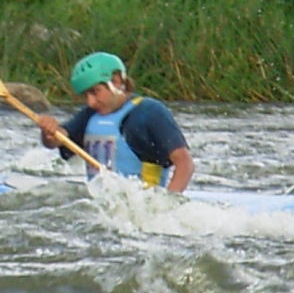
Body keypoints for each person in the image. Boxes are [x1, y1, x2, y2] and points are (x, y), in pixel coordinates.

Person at [34, 51, 194, 193]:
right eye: (85, 95)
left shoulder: (149, 112)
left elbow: (185, 163)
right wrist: (49, 131)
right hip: (103, 207)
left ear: (116, 81)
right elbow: (57, 139)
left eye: (95, 92)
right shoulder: (90, 115)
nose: (90, 102)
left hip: (143, 205)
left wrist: (169, 202)